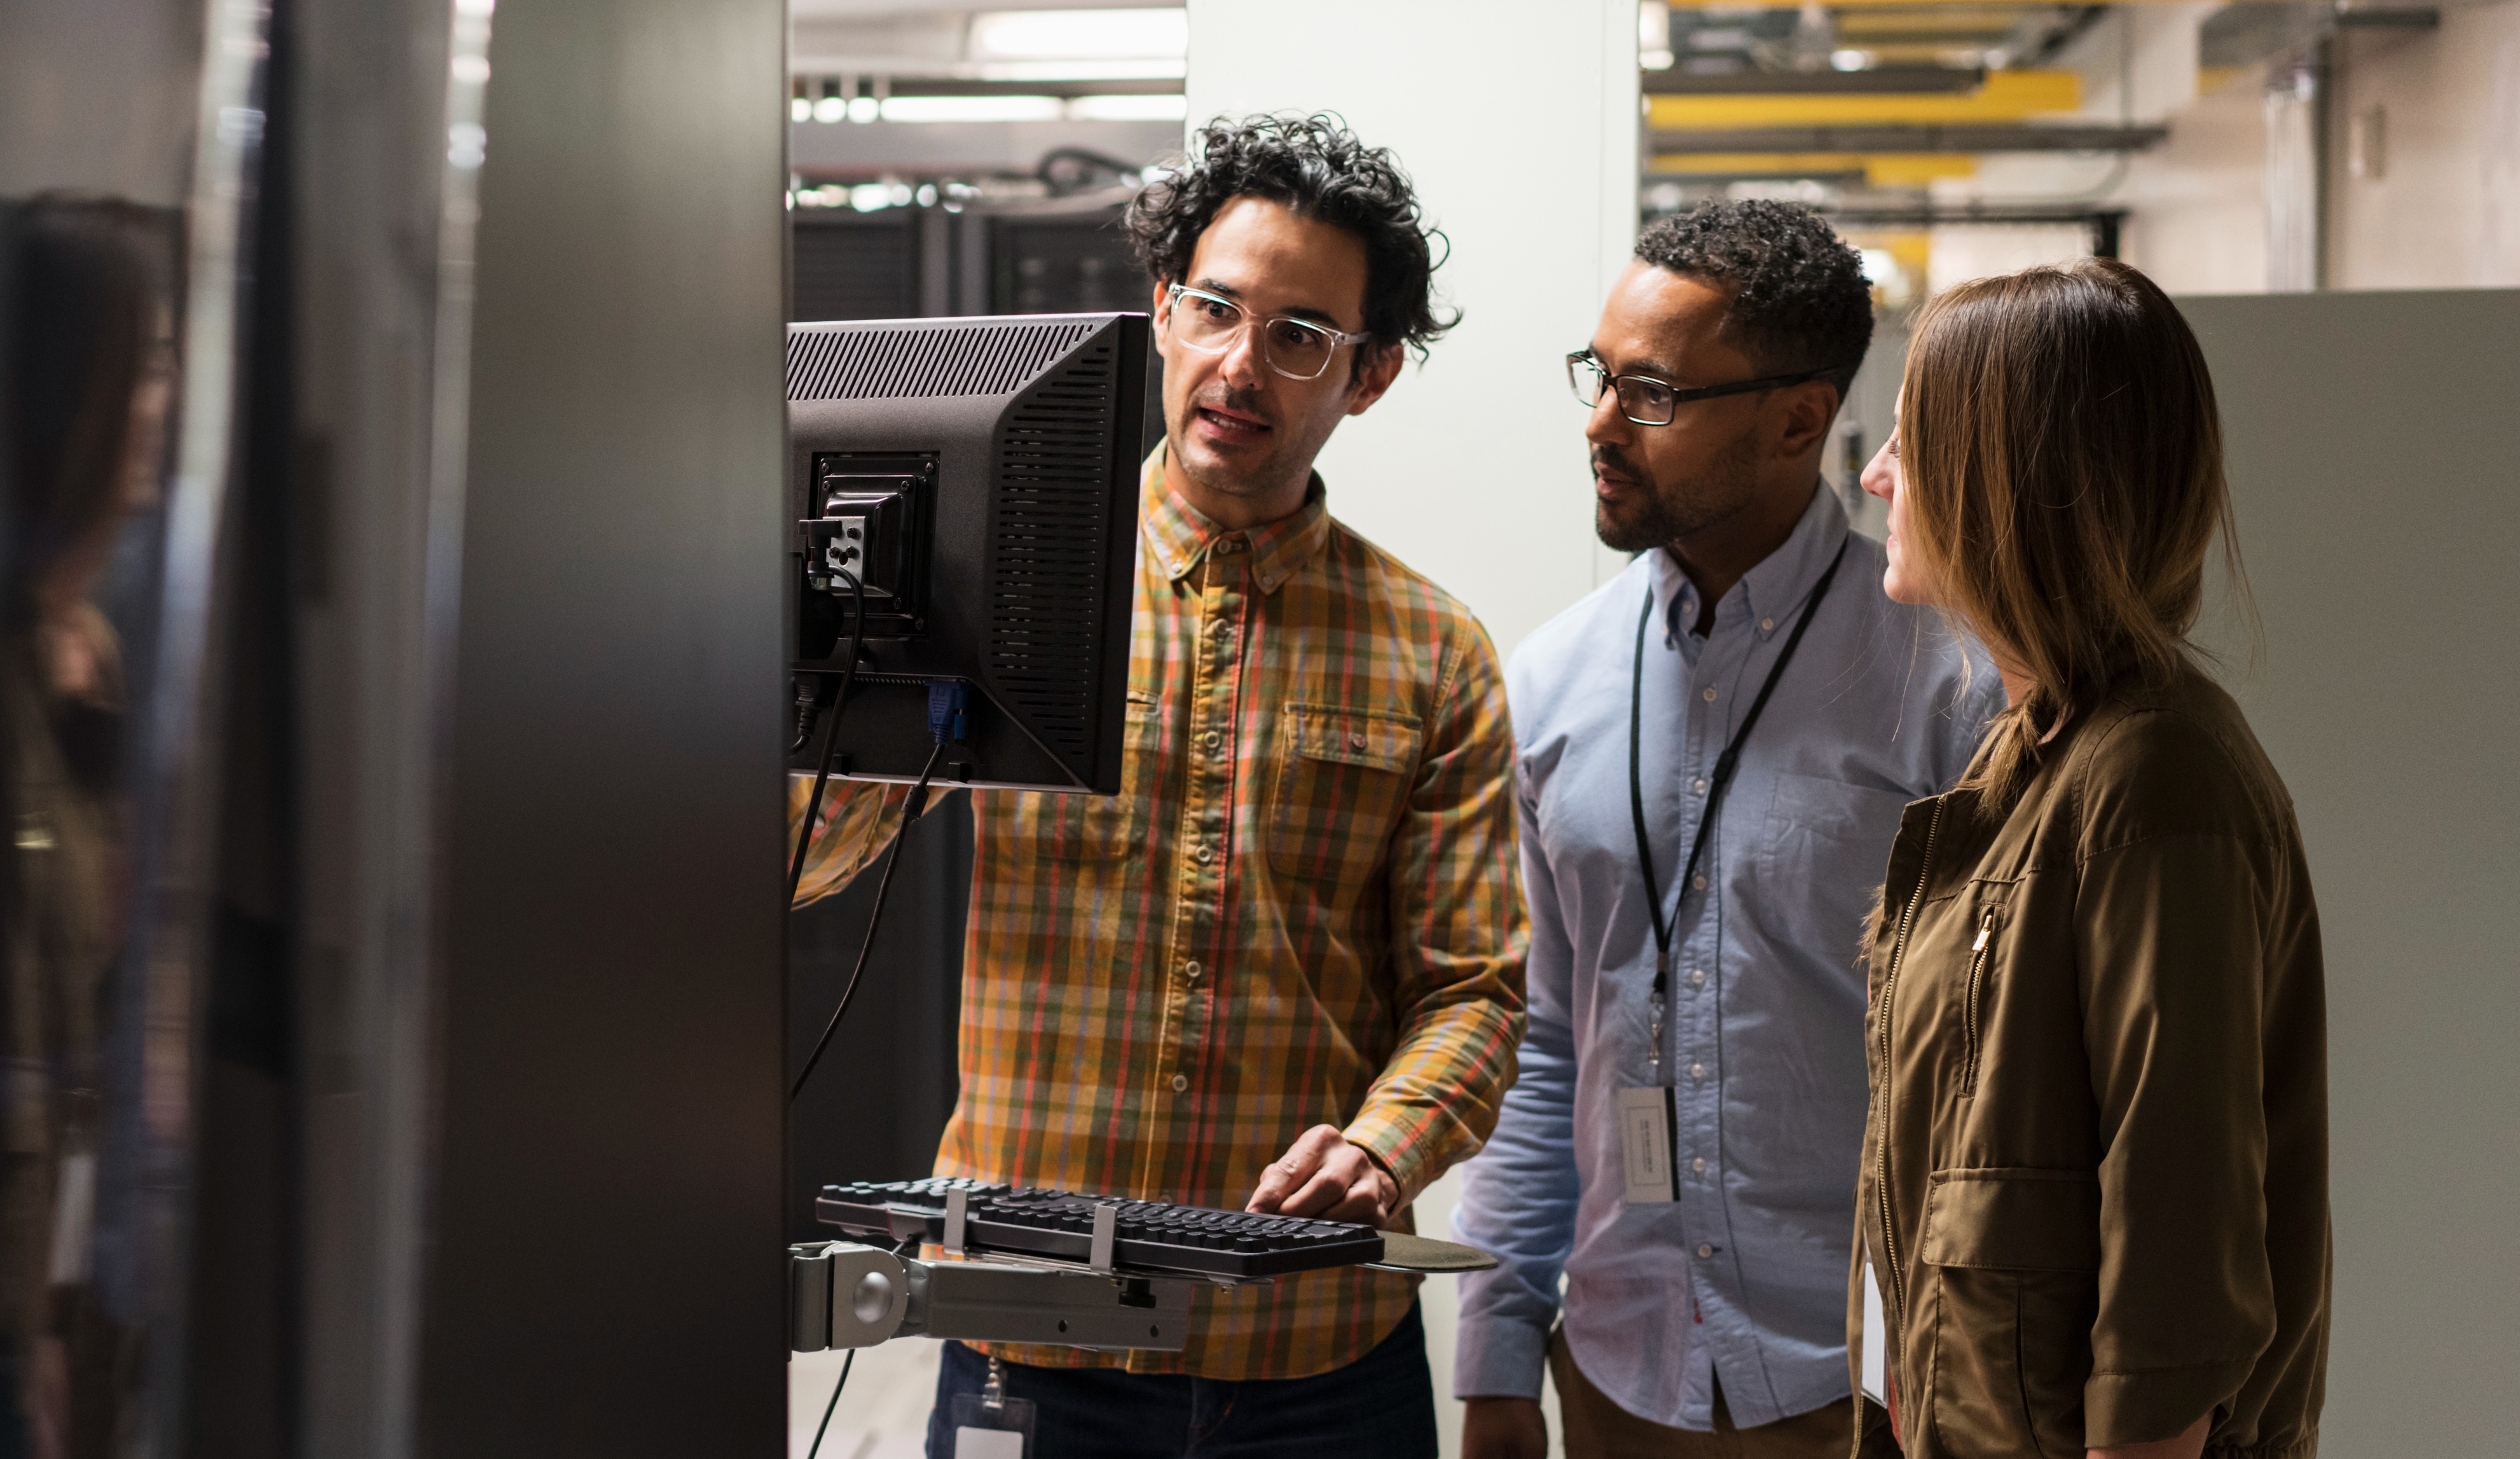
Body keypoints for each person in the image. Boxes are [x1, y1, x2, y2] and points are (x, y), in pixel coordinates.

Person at [790, 113, 1525, 1457]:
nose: (1241, 365)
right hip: (1027, 1317)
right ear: (1160, 312)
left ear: (1366, 378)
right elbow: (808, 861)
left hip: (1309, 1353)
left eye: (1298, 335)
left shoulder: (1433, 652)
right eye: (1216, 308)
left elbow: (1472, 987)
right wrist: (841, 662)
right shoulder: (1007, 589)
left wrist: (1386, 1145)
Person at [1450, 202, 2000, 1459]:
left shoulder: (1950, 684)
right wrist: (1491, 1361)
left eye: (1650, 394)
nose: (1597, 423)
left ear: (1797, 420)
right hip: (1613, 1374)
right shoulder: (1547, 685)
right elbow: (1543, 1040)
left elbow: (1993, 1081)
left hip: (1868, 1387)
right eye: (1598, 378)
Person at [1849, 258, 2326, 1459]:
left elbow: (2174, 1275)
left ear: (2005, 481)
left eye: (1909, 443)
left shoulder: (2152, 781)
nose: (1873, 476)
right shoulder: (2033, 759)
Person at [0, 195, 182, 1459]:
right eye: (143, 362)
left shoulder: (87, 661)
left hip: (70, 1297)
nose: (166, 395)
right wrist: (13, 1325)